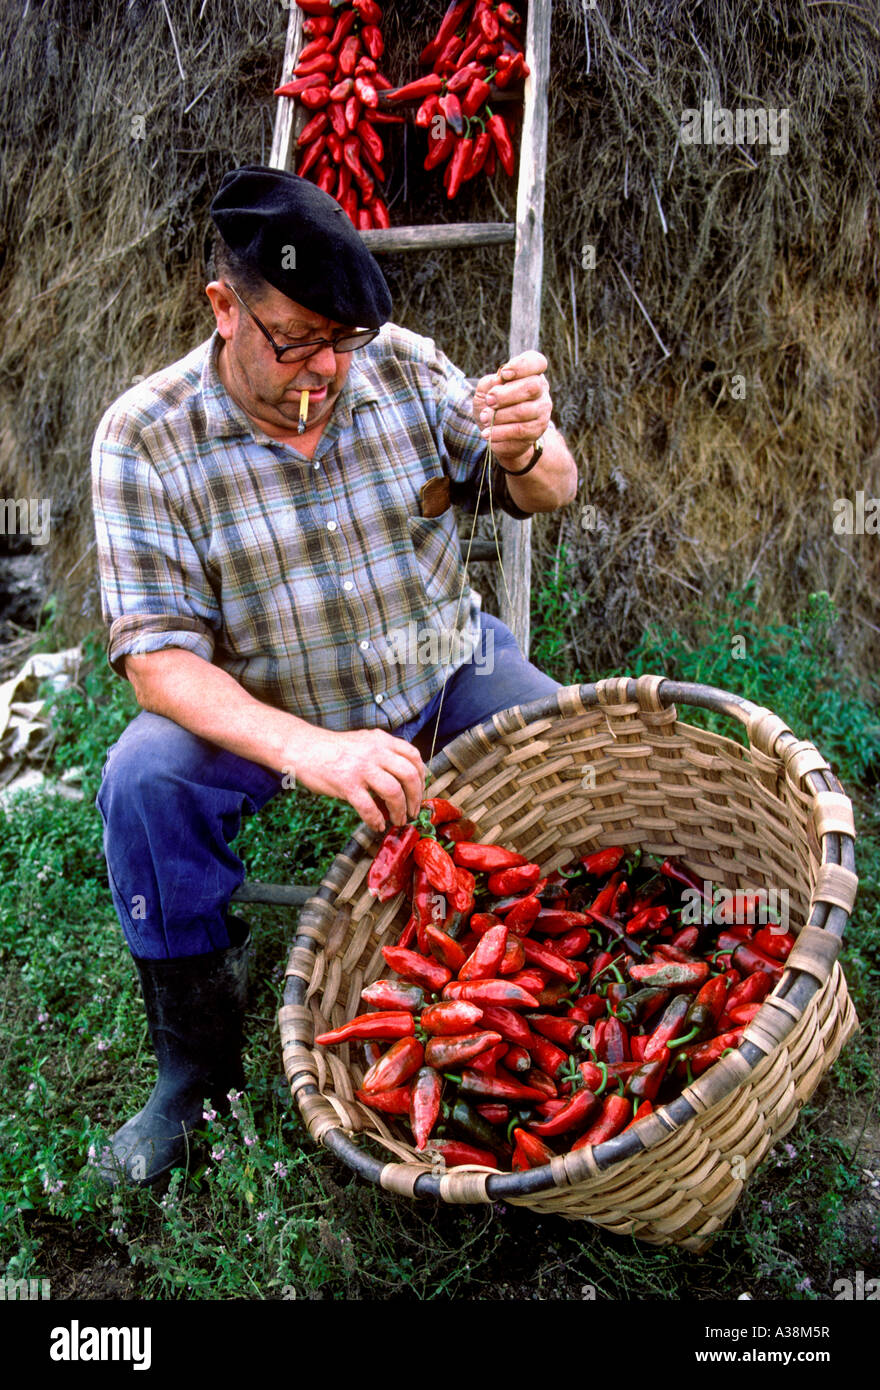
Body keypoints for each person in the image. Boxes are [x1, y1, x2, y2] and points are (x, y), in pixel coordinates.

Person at [90, 165, 578, 1185]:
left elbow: (546, 489)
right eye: (295, 341)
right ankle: (194, 1073)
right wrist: (309, 748)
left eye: (339, 343)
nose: (324, 371)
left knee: (570, 762)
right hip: (264, 701)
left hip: (440, 664)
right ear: (224, 308)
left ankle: (555, 985)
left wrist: (526, 446)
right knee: (144, 781)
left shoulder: (396, 367)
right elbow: (158, 659)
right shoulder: (145, 434)